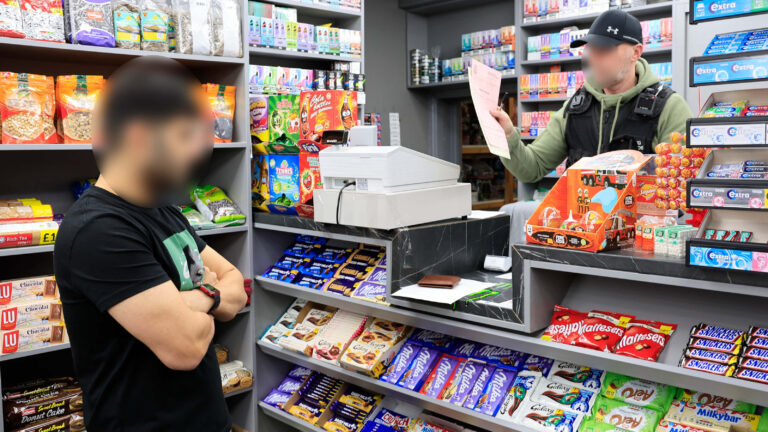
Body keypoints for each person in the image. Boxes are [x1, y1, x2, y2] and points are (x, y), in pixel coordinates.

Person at [53, 57, 247, 431]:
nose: (195, 152)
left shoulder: (164, 210)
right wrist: (211, 292)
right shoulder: (98, 230)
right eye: (183, 137)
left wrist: (193, 300)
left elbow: (237, 285)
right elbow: (187, 348)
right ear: (139, 137)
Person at [490, 9, 692, 241]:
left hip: (639, 245)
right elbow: (531, 167)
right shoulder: (576, 107)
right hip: (578, 240)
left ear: (636, 52)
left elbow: (678, 189)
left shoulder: (669, 107)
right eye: (590, 49)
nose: (593, 59)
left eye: (604, 49)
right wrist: (507, 135)